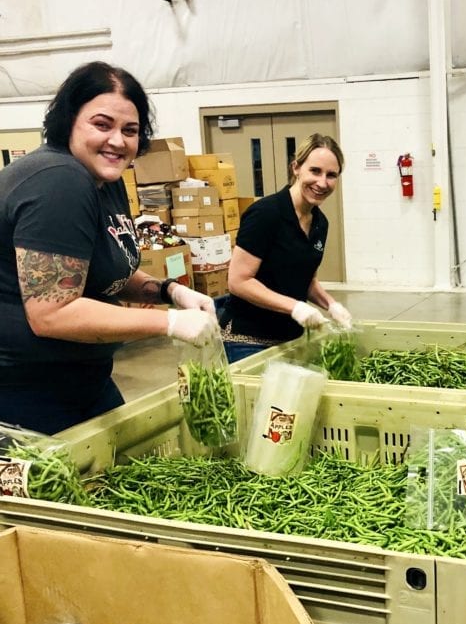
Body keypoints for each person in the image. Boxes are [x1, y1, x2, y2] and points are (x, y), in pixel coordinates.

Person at [0, 61, 219, 435]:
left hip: (82, 379)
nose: (118, 141)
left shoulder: (106, 181)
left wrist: (170, 291)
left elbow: (102, 264)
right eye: (102, 125)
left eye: (130, 131)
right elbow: (52, 313)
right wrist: (167, 322)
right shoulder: (58, 181)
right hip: (27, 393)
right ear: (69, 121)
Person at [224, 133, 353, 363]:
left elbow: (306, 280)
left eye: (331, 175)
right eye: (315, 171)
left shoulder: (320, 223)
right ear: (296, 168)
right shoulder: (266, 214)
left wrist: (331, 305)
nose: (322, 183)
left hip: (292, 338)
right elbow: (238, 281)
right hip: (248, 340)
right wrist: (295, 307)